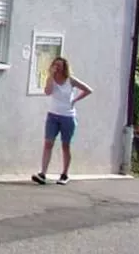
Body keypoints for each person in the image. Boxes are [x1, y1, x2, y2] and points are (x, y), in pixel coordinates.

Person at [31, 56, 92, 184]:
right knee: (48, 143)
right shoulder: (51, 79)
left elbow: (88, 90)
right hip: (53, 115)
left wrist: (75, 100)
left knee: (65, 145)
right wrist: (50, 76)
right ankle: (43, 173)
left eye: (60, 66)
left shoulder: (70, 80)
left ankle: (64, 174)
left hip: (67, 116)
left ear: (65, 68)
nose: (57, 68)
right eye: (55, 65)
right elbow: (47, 92)